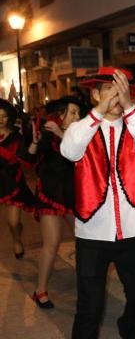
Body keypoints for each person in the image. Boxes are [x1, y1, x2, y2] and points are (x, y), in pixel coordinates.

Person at [61, 67, 135, 339]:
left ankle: (128, 328)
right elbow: (69, 150)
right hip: (92, 232)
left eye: (121, 90)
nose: (115, 95)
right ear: (94, 94)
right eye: (108, 89)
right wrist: (99, 111)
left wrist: (129, 108)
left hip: (132, 231)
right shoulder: (83, 128)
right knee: (90, 307)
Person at [20, 96, 82, 309]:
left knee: (85, 243)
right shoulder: (48, 135)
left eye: (78, 113)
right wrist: (36, 142)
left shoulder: (80, 135)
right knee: (52, 243)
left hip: (75, 197)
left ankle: (87, 283)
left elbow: (80, 155)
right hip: (50, 195)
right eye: (73, 112)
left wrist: (60, 133)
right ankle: (40, 290)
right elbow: (29, 162)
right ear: (61, 116)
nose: (77, 117)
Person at [0, 99, 35, 259]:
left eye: (4, 116)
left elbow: (24, 157)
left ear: (9, 118)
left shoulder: (15, 137)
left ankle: (16, 240)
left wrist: (34, 143)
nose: (0, 119)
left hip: (13, 182)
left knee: (12, 222)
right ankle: (16, 235)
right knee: (13, 222)